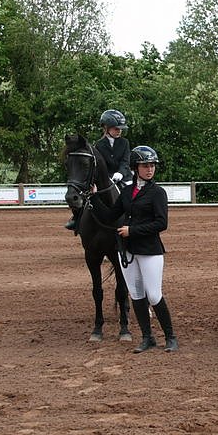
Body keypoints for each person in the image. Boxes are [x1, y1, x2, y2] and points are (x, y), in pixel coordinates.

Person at [91, 146, 179, 354]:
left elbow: (161, 223)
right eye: (145, 165)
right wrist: (94, 198)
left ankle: (170, 337)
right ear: (135, 168)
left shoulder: (157, 193)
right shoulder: (127, 192)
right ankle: (147, 338)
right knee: (137, 295)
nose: (150, 169)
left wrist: (132, 230)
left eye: (152, 166)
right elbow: (110, 216)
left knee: (154, 295)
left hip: (150, 250)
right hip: (128, 251)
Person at [65, 109, 132, 231]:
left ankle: (134, 218)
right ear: (106, 128)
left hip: (124, 177)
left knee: (132, 195)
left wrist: (120, 173)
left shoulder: (125, 143)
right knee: (88, 195)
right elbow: (99, 164)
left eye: (120, 129)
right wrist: (107, 176)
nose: (119, 131)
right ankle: (77, 218)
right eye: (116, 128)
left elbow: (125, 161)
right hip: (106, 177)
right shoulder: (99, 145)